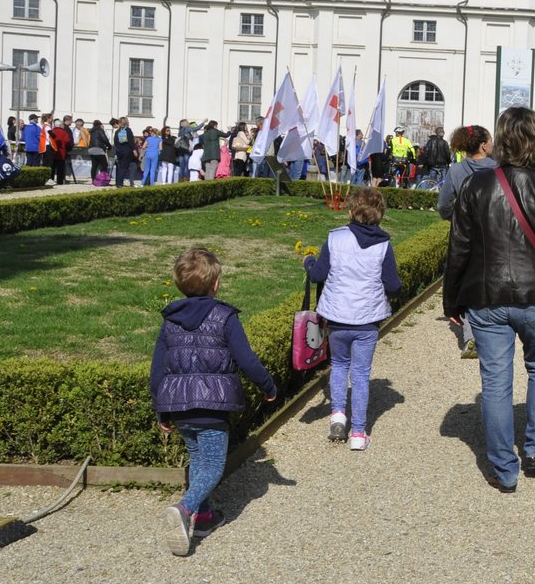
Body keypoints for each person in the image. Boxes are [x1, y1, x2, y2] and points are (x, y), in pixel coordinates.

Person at [443, 106, 535, 494]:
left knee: (495, 382)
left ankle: (505, 470)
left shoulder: (475, 186)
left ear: (501, 141)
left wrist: (450, 301)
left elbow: (458, 248)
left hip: (486, 296)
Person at [151, 247, 278, 555]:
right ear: (216, 283)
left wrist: (161, 410)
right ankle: (185, 508)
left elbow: (158, 369)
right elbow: (246, 359)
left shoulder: (170, 321)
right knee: (212, 465)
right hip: (213, 406)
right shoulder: (224, 317)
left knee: (198, 460)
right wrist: (268, 384)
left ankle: (205, 517)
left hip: (180, 408)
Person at [304, 188, 401, 450]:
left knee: (338, 365)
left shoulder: (335, 239)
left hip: (338, 318)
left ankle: (337, 415)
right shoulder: (384, 245)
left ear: (350, 212)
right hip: (367, 320)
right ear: (380, 216)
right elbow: (393, 285)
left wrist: (309, 263)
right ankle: (358, 433)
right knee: (360, 373)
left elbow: (318, 275)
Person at [437, 125, 499, 360]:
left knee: (466, 280)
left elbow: (443, 205)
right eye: (490, 140)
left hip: (465, 232)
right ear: (484, 145)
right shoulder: (498, 169)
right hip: (494, 230)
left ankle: (471, 334)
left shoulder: (456, 170)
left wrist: (454, 217)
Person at [113, 115, 137, 187]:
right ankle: (120, 184)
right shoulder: (128, 130)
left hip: (119, 151)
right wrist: (134, 150)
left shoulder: (117, 131)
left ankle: (118, 183)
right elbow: (131, 141)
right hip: (127, 151)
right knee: (124, 167)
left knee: (120, 167)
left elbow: (115, 142)